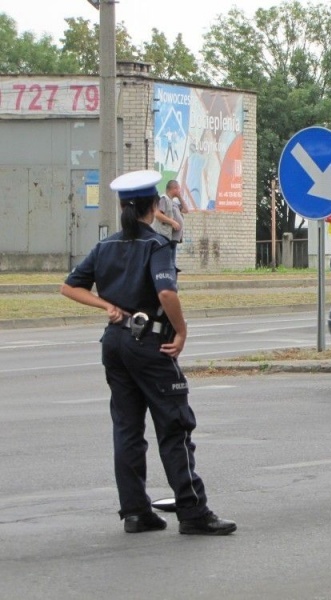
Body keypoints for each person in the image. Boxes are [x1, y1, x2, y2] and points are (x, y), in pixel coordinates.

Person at [60, 170, 236, 536]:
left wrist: (106, 305)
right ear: (154, 207)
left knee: (127, 428)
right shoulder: (157, 246)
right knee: (174, 426)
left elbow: (70, 287)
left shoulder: (105, 246)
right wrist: (183, 330)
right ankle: (193, 511)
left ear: (124, 207)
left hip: (115, 343)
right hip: (151, 344)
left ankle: (136, 513)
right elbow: (167, 294)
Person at [154, 180, 188, 259]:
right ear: (174, 189)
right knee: (168, 262)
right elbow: (157, 214)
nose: (180, 191)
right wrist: (172, 222)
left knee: (172, 263)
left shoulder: (173, 202)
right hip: (166, 238)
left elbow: (186, 210)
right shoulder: (164, 199)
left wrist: (180, 197)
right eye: (179, 189)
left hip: (173, 238)